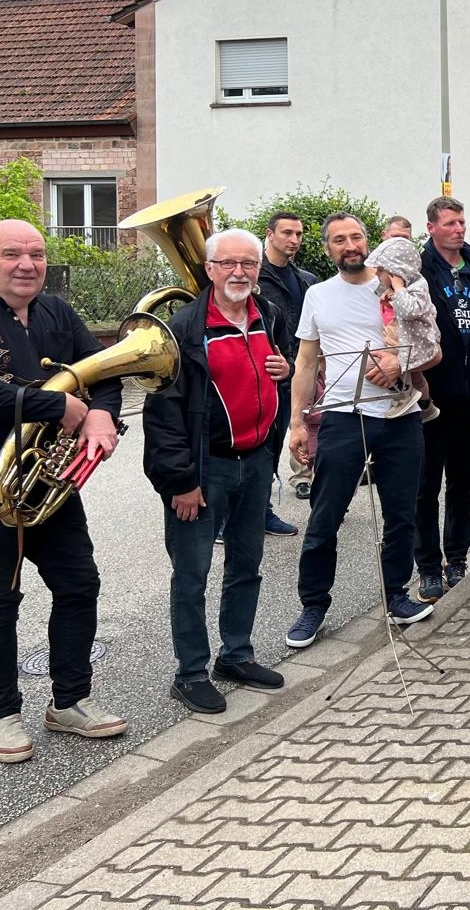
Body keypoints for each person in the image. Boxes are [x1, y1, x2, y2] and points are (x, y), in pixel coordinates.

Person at [0, 219, 127, 763]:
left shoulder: (57, 312)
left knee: (80, 583)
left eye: (36, 254)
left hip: (48, 478)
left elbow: (103, 370)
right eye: (12, 253)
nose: (26, 264)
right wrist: (59, 406)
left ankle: (70, 701)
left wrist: (103, 415)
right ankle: (2, 715)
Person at [143, 229, 294, 714]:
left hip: (255, 463)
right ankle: (189, 673)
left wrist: (286, 371)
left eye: (248, 264)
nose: (239, 273)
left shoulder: (268, 315)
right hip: (204, 473)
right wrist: (180, 482)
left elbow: (280, 370)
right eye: (227, 263)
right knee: (192, 575)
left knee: (246, 566)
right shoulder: (184, 330)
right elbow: (162, 418)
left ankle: (237, 655)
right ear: (209, 269)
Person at [284, 213, 438, 649]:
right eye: (338, 240)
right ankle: (313, 605)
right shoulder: (317, 295)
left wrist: (399, 363)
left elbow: (433, 348)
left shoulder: (398, 287)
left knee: (401, 516)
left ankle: (397, 597)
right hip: (342, 417)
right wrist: (297, 422)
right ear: (328, 248)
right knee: (325, 517)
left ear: (368, 243)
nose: (349, 246)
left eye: (355, 237)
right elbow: (307, 363)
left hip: (400, 415)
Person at [415, 196, 470, 602]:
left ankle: (457, 558)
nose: (459, 229)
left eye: (462, 222)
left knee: (462, 482)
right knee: (426, 486)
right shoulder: (417, 272)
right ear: (431, 227)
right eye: (450, 223)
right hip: (431, 399)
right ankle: (428, 567)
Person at [255, 211, 314, 520]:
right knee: (257, 448)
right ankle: (240, 516)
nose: (294, 239)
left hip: (296, 369)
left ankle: (263, 512)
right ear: (270, 234)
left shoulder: (306, 280)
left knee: (281, 440)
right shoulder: (254, 278)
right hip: (264, 372)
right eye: (287, 233)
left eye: (299, 234)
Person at [365, 236, 441, 428]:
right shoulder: (394, 288)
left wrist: (398, 287)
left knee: (409, 374)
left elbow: (409, 311)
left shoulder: (416, 287)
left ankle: (413, 400)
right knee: (413, 376)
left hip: (414, 342)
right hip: (398, 340)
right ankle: (423, 405)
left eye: (381, 270)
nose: (377, 274)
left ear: (396, 272)